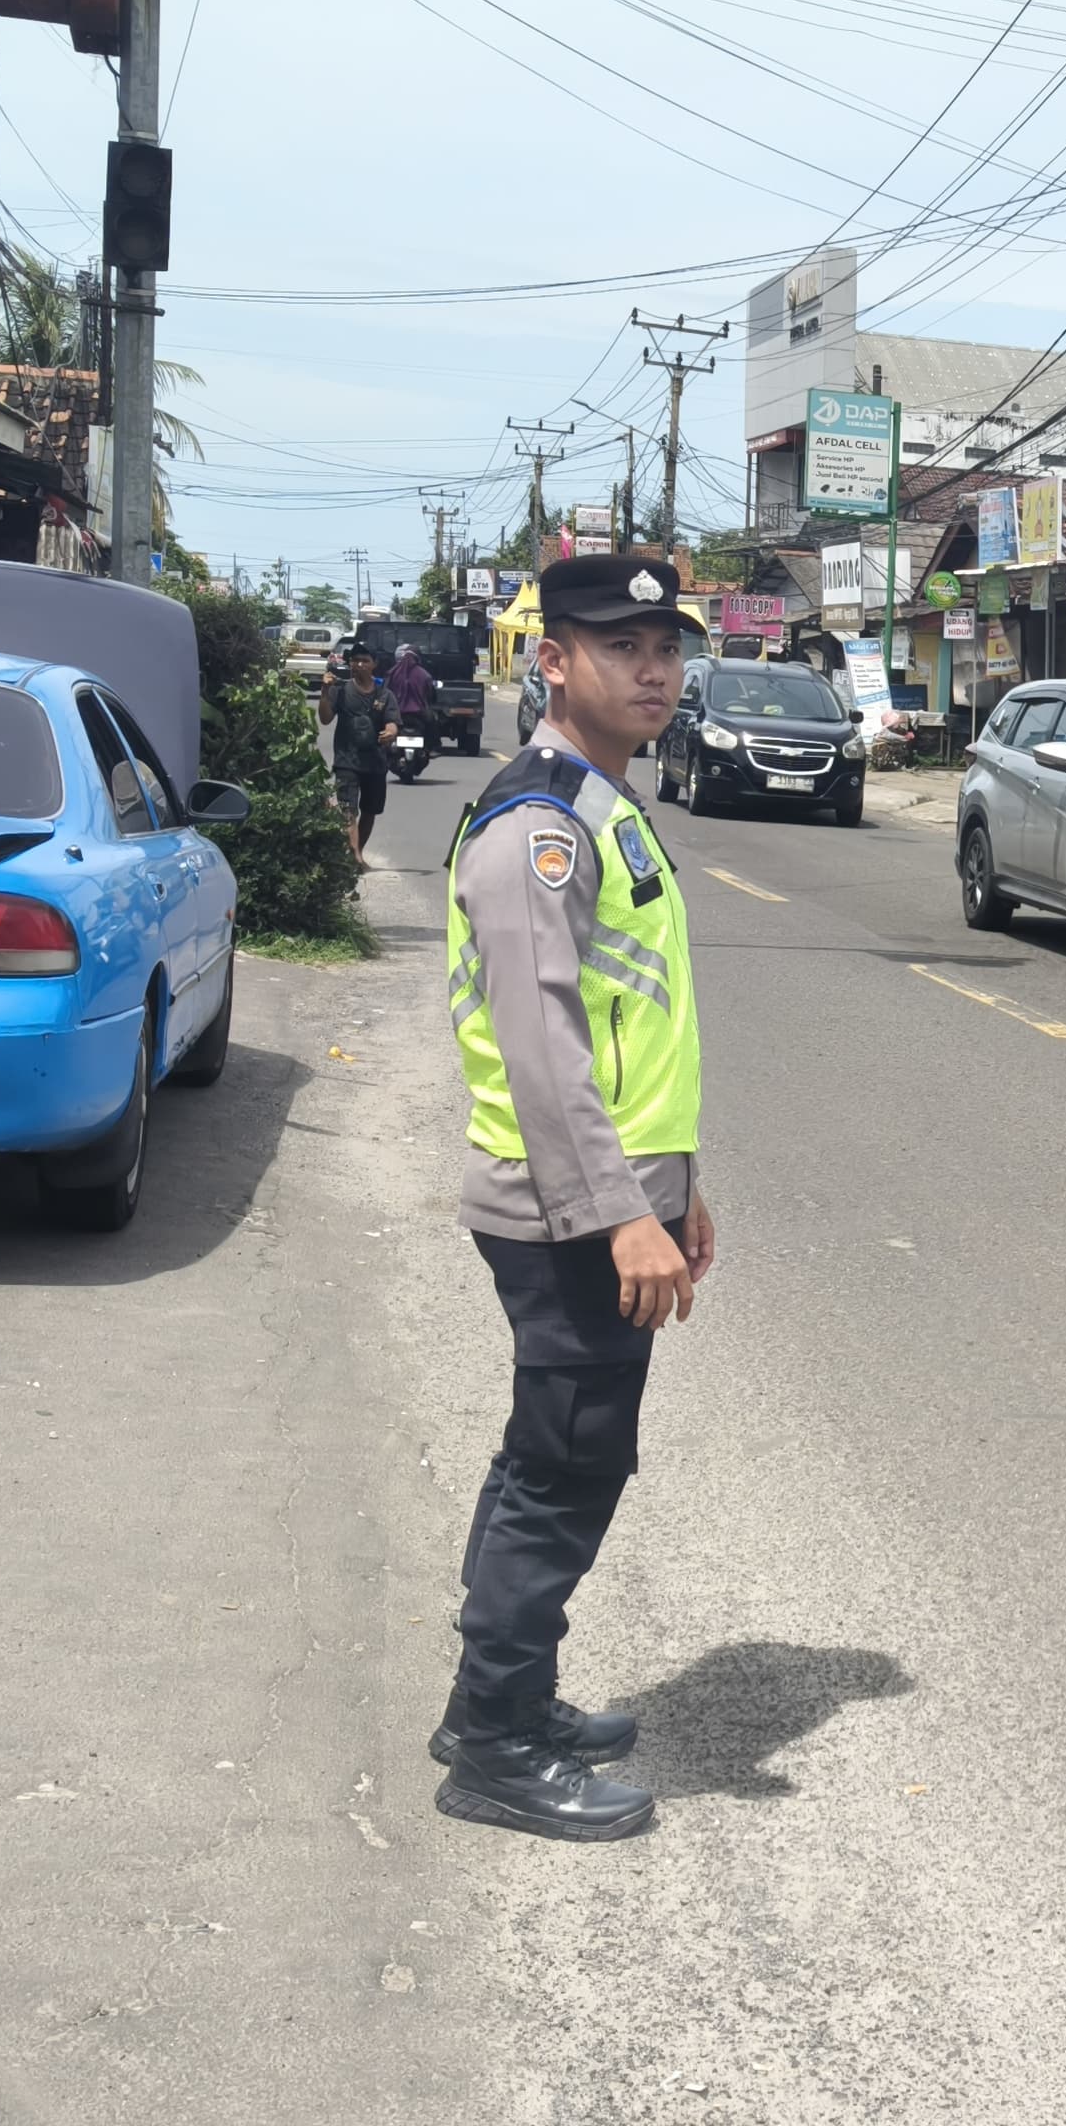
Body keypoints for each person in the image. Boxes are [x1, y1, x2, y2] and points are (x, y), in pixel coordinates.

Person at [429, 553, 711, 1844]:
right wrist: (623, 1216)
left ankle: (497, 1702)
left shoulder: (604, 803)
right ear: (553, 661)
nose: (653, 671)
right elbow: (542, 1052)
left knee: (547, 1455)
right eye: (620, 647)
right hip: (566, 1214)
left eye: (666, 647)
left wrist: (681, 1187)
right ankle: (496, 1747)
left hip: (610, 1195)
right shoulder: (536, 826)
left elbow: (634, 1026)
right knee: (566, 1469)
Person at [327, 644, 397, 857]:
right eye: (355, 660)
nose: (360, 664)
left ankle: (358, 852)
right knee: (348, 810)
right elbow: (325, 718)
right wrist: (324, 693)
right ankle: (355, 856)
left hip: (375, 763)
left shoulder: (385, 695)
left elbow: (392, 723)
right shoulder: (340, 691)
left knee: (370, 811)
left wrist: (390, 733)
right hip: (346, 762)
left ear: (374, 664)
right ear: (350, 664)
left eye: (365, 660)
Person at [389, 643, 440, 781]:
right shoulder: (424, 675)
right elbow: (431, 695)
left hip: (397, 714)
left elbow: (385, 691)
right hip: (419, 714)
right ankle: (432, 748)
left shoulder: (393, 672)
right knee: (433, 723)